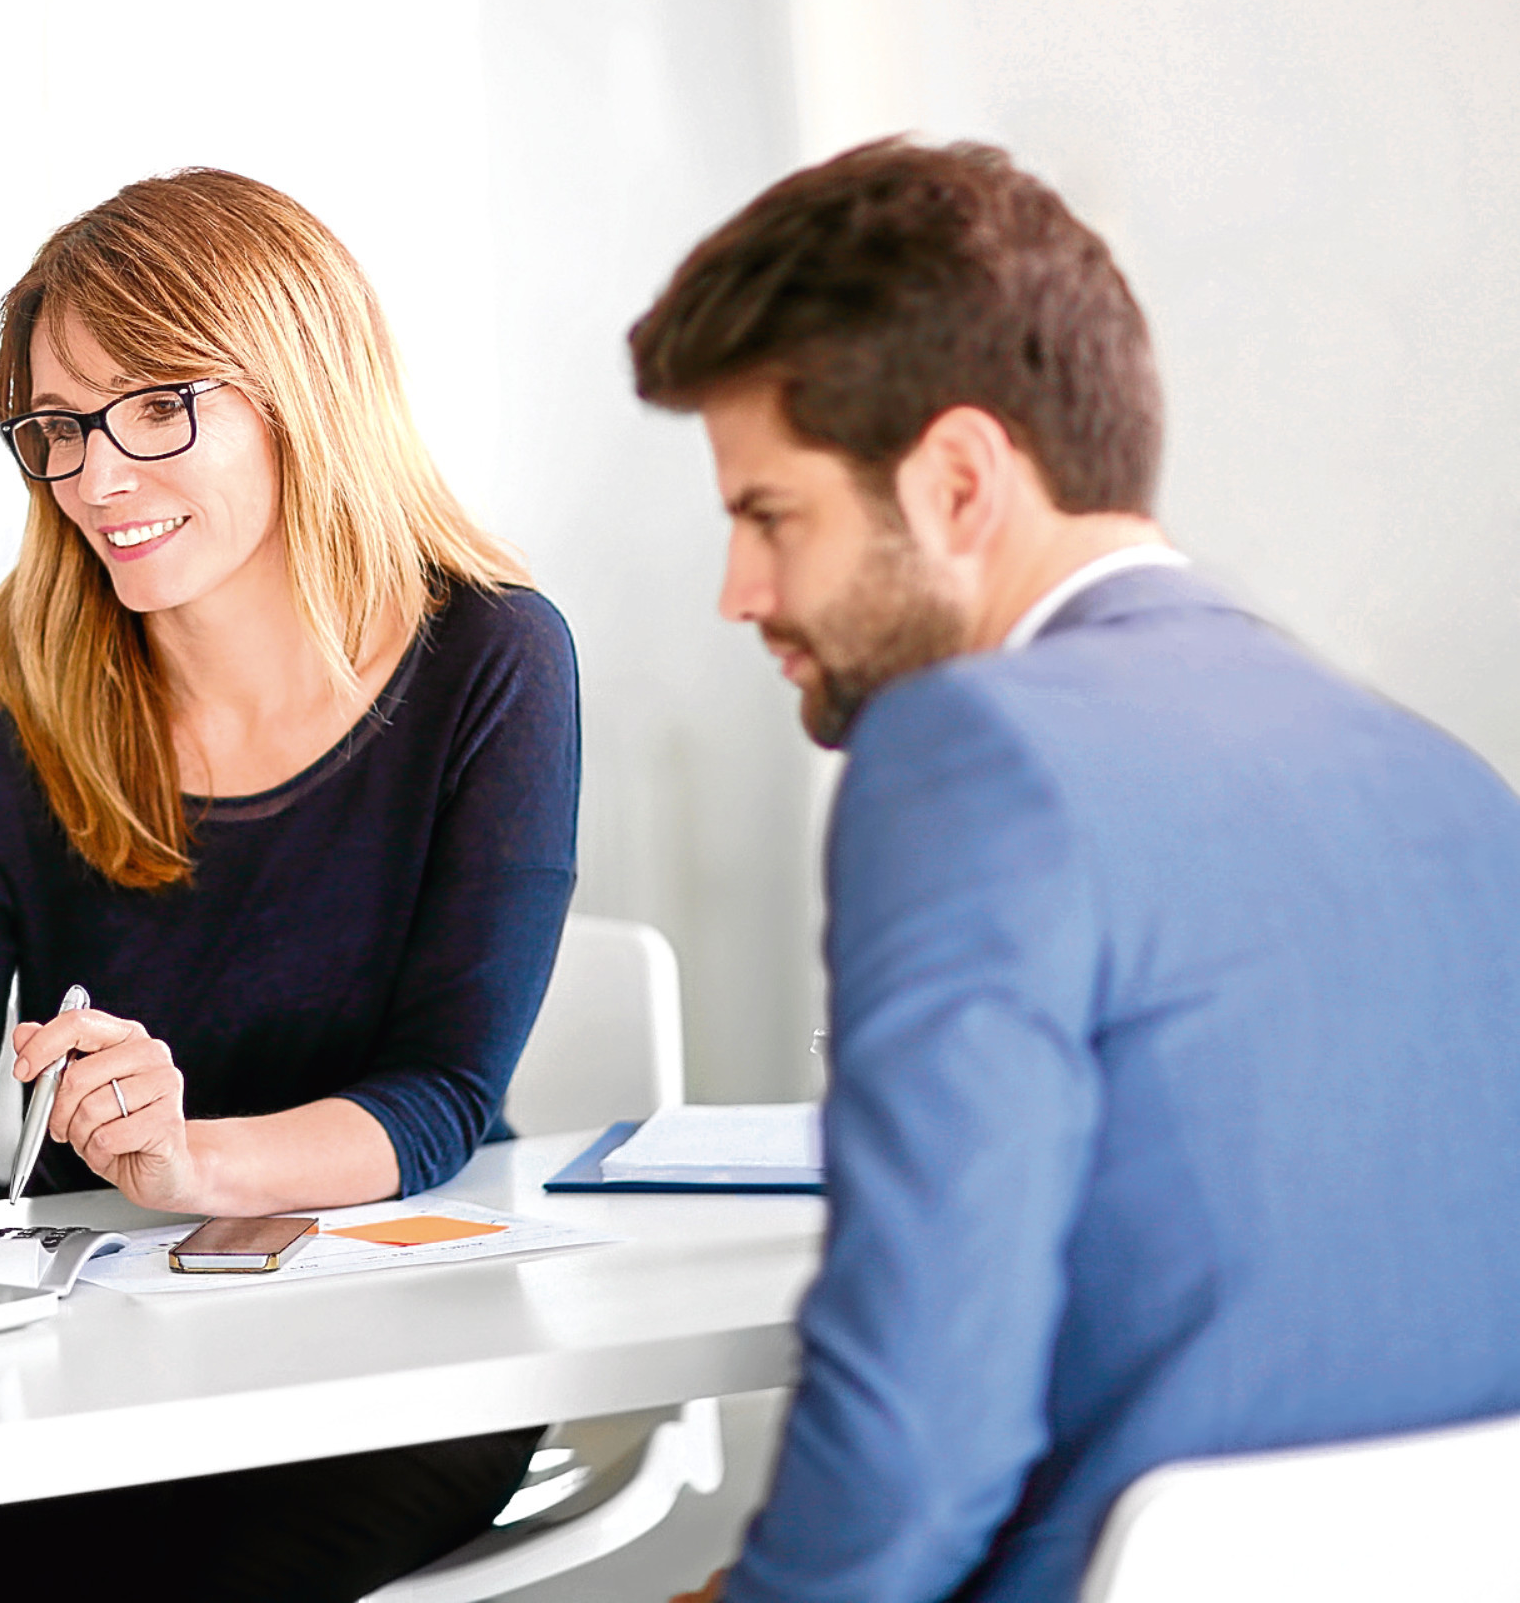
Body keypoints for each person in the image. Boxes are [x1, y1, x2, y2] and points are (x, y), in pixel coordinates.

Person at [627, 139, 1520, 1602]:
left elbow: (920, 1441)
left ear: (958, 482)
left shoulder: (968, 749)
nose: (740, 593)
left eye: (769, 515)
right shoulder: (1444, 775)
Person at [0, 168, 580, 1601]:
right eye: (56, 428)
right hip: (82, 1353)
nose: (96, 477)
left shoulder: (489, 660)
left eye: (156, 408)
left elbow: (442, 1093)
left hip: (395, 1346)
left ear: (302, 388)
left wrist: (187, 1162)